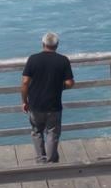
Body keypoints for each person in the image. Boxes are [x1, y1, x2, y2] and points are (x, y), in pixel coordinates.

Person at [21, 32, 74, 163]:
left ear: (43, 44)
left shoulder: (33, 59)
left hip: (35, 104)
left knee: (36, 131)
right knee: (52, 133)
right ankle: (51, 161)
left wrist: (24, 101)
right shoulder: (63, 60)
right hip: (54, 105)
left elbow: (25, 82)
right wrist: (59, 87)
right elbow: (70, 83)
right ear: (57, 45)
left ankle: (41, 159)